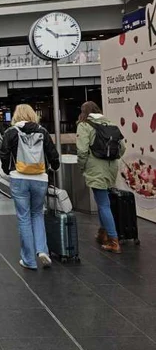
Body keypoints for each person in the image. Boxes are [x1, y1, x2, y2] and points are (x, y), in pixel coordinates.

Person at [0, 104, 60, 270]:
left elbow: (4, 154)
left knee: (24, 218)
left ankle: (29, 260)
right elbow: (53, 155)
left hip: (19, 177)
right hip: (40, 178)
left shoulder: (11, 132)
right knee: (37, 214)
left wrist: (8, 170)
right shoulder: (43, 132)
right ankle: (42, 250)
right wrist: (55, 166)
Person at [76, 101, 125, 253]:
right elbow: (122, 148)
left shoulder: (84, 125)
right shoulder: (110, 123)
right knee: (103, 201)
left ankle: (113, 240)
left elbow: (82, 150)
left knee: (103, 204)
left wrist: (82, 166)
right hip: (111, 168)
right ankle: (103, 233)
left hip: (95, 168)